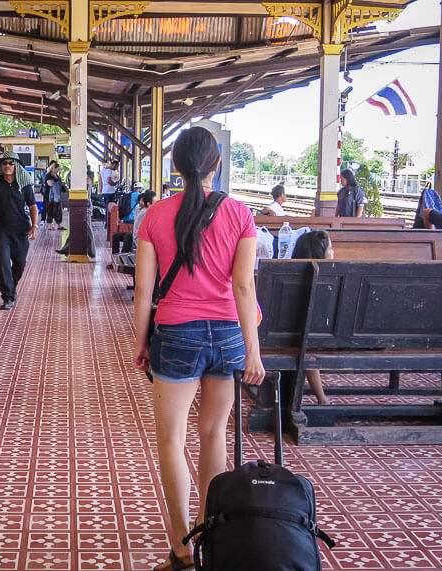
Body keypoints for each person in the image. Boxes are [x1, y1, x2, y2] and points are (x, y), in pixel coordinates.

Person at [133, 127, 265, 571]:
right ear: (217, 166)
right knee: (213, 436)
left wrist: (140, 342)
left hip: (175, 336)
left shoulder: (153, 216)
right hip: (228, 335)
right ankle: (212, 541)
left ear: (174, 166)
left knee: (171, 441)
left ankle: (181, 550)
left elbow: (144, 290)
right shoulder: (240, 214)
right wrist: (254, 351)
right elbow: (244, 286)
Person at [0, 151, 38, 310]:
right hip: (1, 231)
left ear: (17, 166)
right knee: (3, 263)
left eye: (11, 163)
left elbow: (33, 206)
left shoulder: (25, 185)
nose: (7, 166)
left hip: (21, 230)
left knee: (20, 263)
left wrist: (34, 227)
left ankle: (11, 286)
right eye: (4, 163)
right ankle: (7, 297)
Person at [291, 230, 334, 406]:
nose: (333, 252)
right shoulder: (331, 281)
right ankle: (322, 398)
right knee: (308, 346)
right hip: (319, 340)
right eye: (331, 248)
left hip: (299, 339)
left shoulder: (291, 279)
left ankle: (322, 398)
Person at [108, 190, 155, 266]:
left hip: (138, 236)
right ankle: (115, 259)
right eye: (139, 201)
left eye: (142, 201)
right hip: (137, 234)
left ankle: (122, 260)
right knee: (116, 235)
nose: (140, 202)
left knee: (128, 237)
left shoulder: (145, 212)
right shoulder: (138, 210)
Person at [44, 162, 66, 230]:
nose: (58, 170)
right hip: (50, 196)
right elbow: (50, 184)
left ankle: (59, 225)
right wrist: (58, 183)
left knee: (58, 210)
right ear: (54, 168)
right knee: (50, 210)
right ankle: (50, 225)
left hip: (57, 196)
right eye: (57, 169)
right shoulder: (48, 175)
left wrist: (61, 185)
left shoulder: (57, 176)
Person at [40, 159, 56, 226]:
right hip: (46, 191)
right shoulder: (45, 172)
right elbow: (44, 181)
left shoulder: (54, 173)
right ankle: (43, 220)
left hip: (52, 192)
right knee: (45, 206)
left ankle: (50, 220)